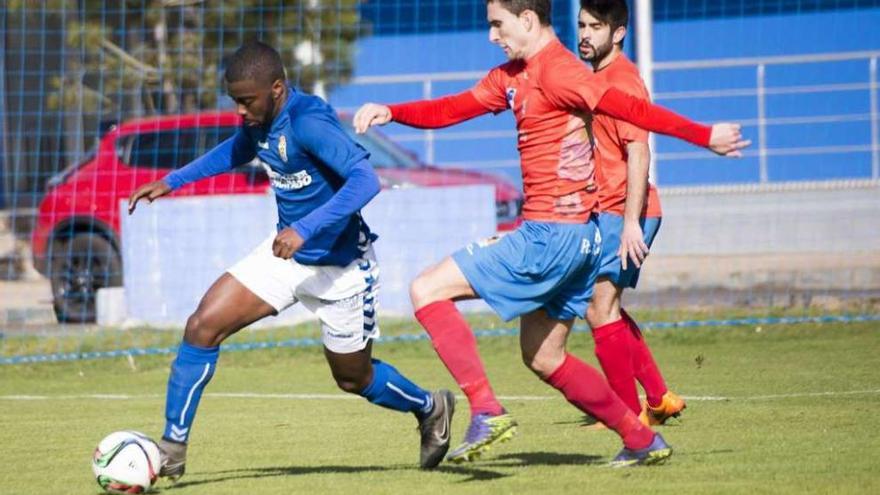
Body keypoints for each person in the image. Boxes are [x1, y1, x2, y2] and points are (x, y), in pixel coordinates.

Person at [353, 0, 749, 467]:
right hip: (578, 242)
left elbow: (634, 111)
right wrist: (391, 112)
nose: (491, 36)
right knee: (544, 357)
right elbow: (454, 108)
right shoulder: (511, 76)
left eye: (497, 25)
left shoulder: (561, 72)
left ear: (527, 20)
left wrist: (704, 136)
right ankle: (641, 439)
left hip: (549, 236)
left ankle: (485, 409)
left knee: (426, 290)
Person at [128, 41, 455, 477]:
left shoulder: (309, 122)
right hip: (284, 257)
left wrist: (305, 228)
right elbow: (237, 148)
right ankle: (172, 449)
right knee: (202, 325)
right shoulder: (261, 121)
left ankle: (431, 407)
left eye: (247, 101)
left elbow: (365, 181)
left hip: (342, 269)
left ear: (277, 88)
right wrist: (174, 180)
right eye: (235, 102)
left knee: (352, 378)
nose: (241, 111)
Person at [577, 0, 685, 426]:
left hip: (628, 213)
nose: (585, 34)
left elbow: (639, 152)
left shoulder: (622, 82)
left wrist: (628, 223)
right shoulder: (597, 78)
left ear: (618, 32)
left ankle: (628, 416)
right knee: (607, 309)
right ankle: (658, 397)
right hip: (609, 211)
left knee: (598, 309)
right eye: (582, 25)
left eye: (595, 26)